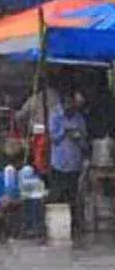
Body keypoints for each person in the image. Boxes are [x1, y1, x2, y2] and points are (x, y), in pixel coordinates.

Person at [48, 91, 89, 232]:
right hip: (59, 162)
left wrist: (79, 138)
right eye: (70, 107)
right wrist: (65, 132)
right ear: (65, 104)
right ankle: (55, 225)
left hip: (74, 163)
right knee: (57, 194)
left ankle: (73, 225)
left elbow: (84, 142)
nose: (72, 110)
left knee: (73, 195)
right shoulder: (56, 116)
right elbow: (53, 137)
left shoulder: (79, 119)